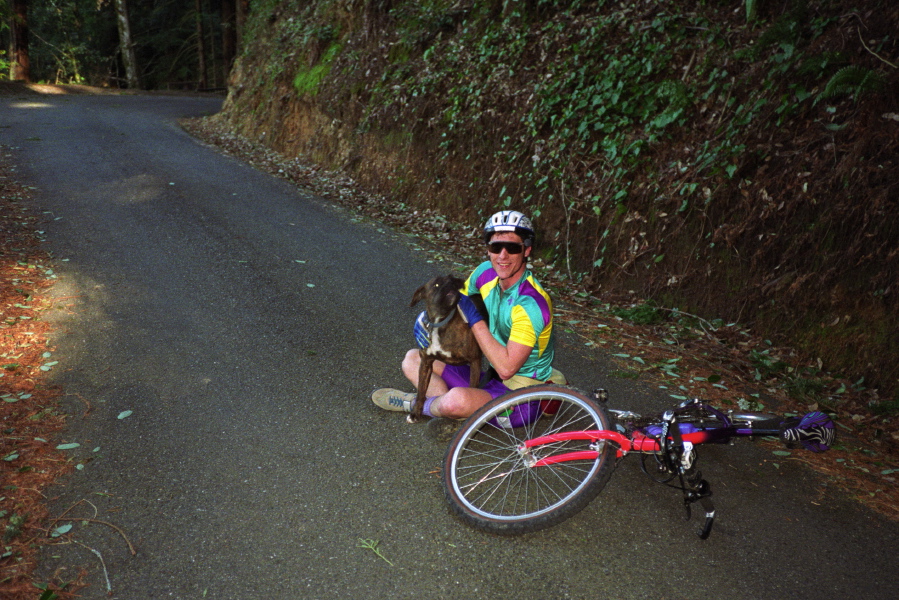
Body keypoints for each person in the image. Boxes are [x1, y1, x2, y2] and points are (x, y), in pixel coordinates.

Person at [372, 209, 566, 422]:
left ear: (526, 251)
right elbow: (456, 305)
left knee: (457, 401)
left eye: (512, 248)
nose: (503, 256)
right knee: (412, 359)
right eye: (495, 247)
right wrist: (430, 323)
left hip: (522, 396)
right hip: (490, 383)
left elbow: (506, 369)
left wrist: (475, 318)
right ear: (488, 250)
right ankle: (448, 410)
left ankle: (418, 404)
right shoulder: (486, 272)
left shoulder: (531, 303)